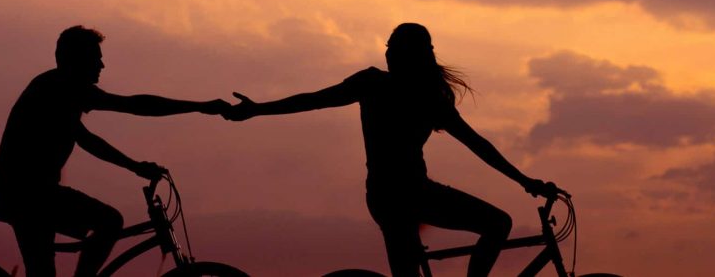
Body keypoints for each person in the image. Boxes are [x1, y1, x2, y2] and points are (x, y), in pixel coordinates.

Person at [222, 22, 562, 277]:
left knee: (490, 228)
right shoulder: (391, 88)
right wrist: (259, 109)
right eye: (388, 46)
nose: (387, 53)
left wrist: (524, 180)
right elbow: (313, 100)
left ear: (412, 55)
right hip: (408, 195)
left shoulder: (404, 92)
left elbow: (478, 145)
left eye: (395, 48)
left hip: (391, 197)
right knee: (498, 223)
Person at [0, 25, 230, 277]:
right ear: (77, 60)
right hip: (25, 193)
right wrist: (200, 107)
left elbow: (89, 136)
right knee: (109, 222)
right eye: (96, 58)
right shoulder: (58, 88)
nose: (101, 65)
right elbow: (131, 107)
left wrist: (134, 165)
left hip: (33, 191)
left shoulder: (60, 89)